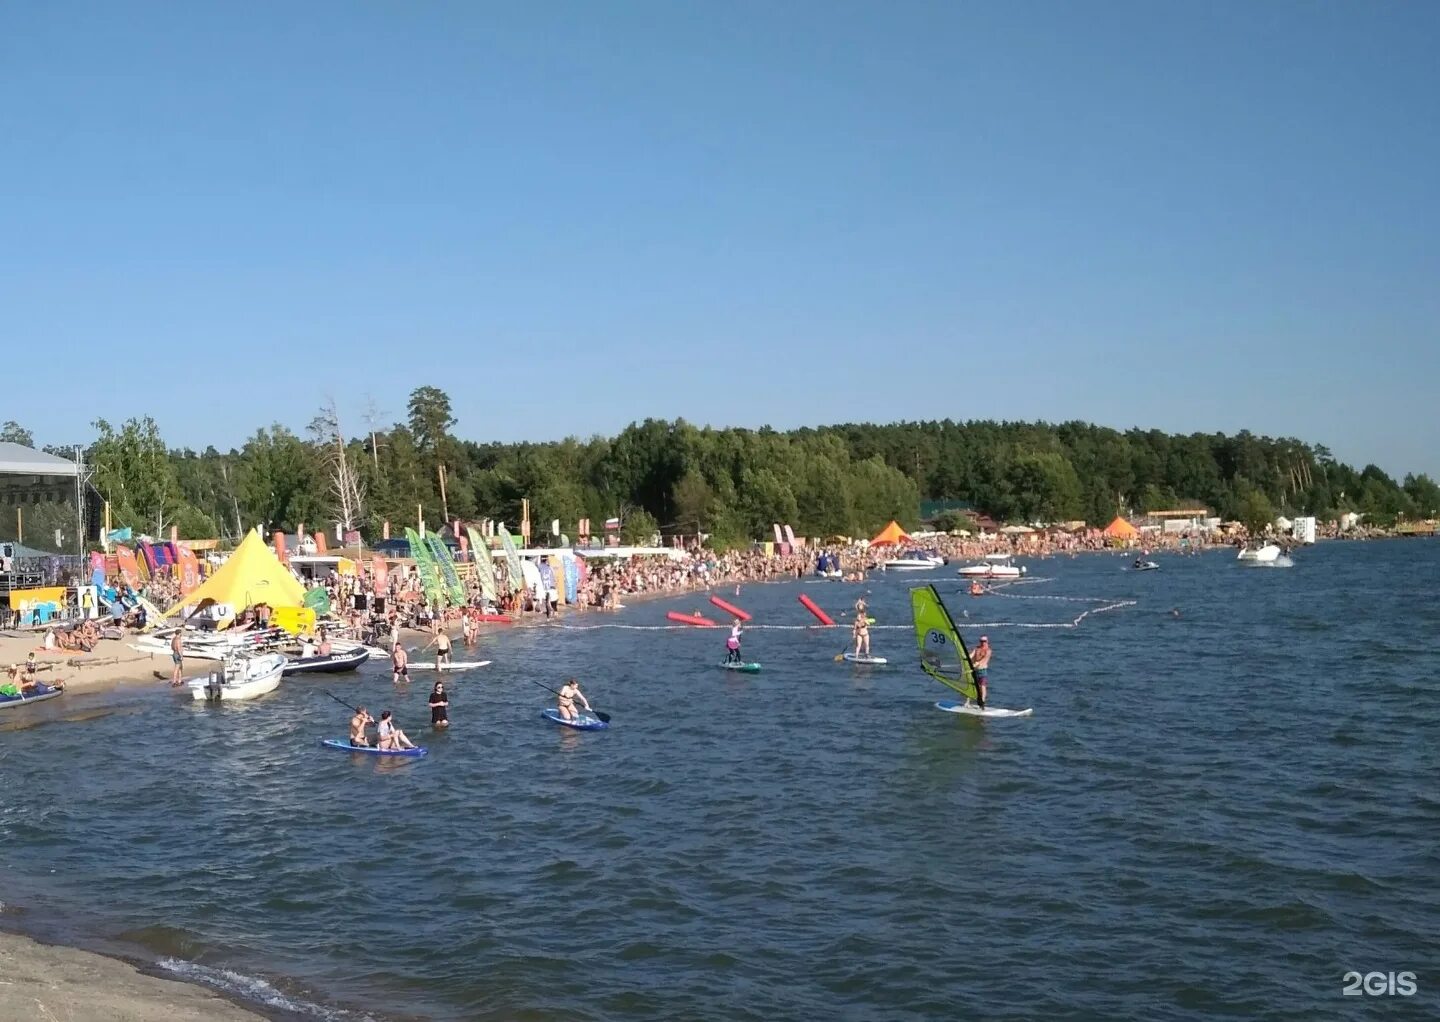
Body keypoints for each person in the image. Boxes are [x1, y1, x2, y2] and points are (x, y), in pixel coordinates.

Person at [970, 635, 992, 709]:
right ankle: (967, 702)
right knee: (973, 686)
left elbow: (984, 659)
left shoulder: (988, 650)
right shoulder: (976, 648)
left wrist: (977, 663)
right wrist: (966, 658)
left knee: (983, 687)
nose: (983, 643)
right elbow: (971, 656)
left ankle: (982, 702)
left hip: (982, 671)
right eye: (981, 641)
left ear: (987, 641)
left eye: (984, 641)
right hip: (974, 671)